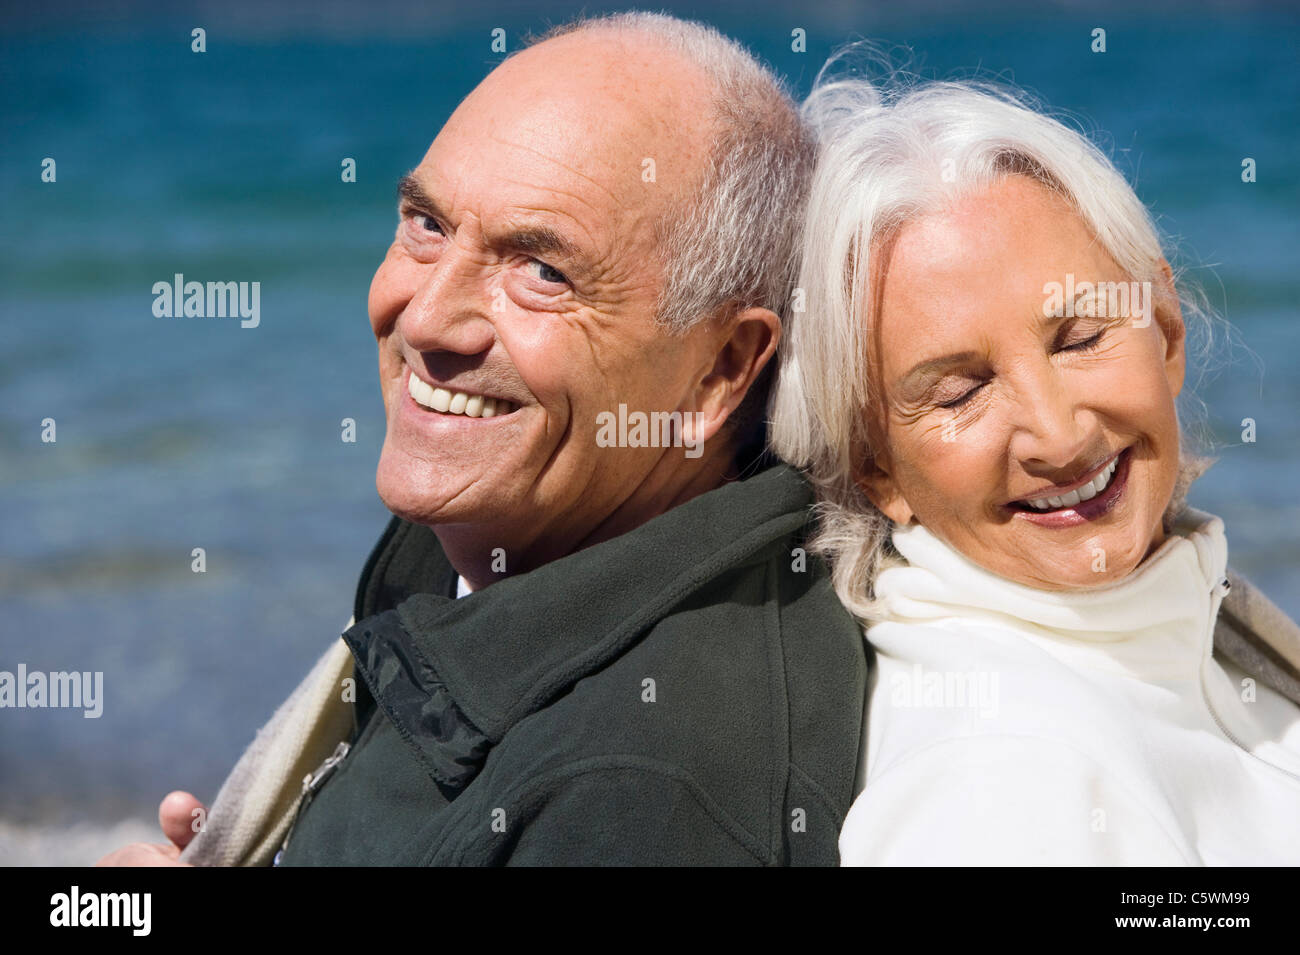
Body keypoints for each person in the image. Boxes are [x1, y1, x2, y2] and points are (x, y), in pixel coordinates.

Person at [97, 12, 866, 867]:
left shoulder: (638, 798)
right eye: (426, 225)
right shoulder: (499, 532)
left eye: (541, 272)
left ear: (722, 368)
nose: (425, 318)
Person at [769, 66, 1300, 865]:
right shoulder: (1001, 784)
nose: (1056, 435)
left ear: (1166, 329)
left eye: (1082, 338)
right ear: (874, 470)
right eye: (959, 392)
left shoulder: (1191, 626)